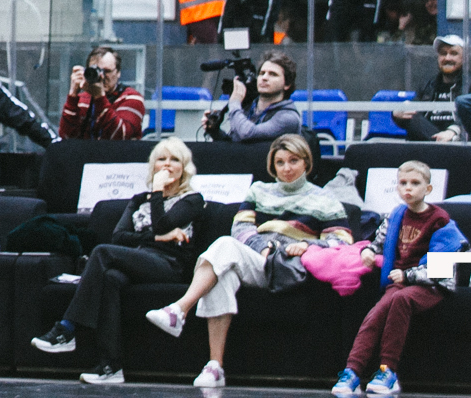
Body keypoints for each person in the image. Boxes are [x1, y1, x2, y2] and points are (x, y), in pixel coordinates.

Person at [146, 134, 353, 389]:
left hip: (291, 266)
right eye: (280, 162)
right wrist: (263, 247)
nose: (287, 168)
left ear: (306, 163)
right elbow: (241, 229)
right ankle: (215, 366)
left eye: (293, 161)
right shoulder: (259, 191)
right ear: (272, 165)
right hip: (258, 260)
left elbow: (342, 240)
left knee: (224, 246)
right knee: (222, 274)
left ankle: (180, 309)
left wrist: (306, 246)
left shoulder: (325, 199)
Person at [30, 138, 206, 384]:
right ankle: (111, 366)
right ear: (153, 165)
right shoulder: (139, 200)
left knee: (102, 252)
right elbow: (119, 236)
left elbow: (162, 223)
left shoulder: (192, 199)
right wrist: (157, 237)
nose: (167, 164)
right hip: (137, 259)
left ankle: (67, 328)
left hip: (169, 264)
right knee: (110, 278)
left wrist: (157, 193)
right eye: (161, 159)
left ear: (184, 168)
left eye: (174, 160)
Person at [332, 160, 469, 398]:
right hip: (399, 282)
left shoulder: (440, 220)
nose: (408, 188)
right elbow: (379, 240)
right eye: (403, 183)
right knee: (375, 315)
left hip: (430, 285)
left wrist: (408, 275)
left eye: (415, 183)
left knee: (400, 300)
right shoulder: (396, 215)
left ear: (428, 189)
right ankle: (352, 372)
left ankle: (388, 371)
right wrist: (369, 251)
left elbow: (443, 267)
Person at [202, 50, 303, 143]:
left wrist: (235, 102)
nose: (264, 78)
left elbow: (248, 134)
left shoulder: (289, 118)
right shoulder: (248, 108)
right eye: (262, 73)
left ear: (287, 84)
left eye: (273, 74)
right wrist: (215, 131)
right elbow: (236, 147)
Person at [59, 46, 146, 140]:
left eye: (107, 71)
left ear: (118, 72)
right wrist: (72, 95)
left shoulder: (131, 98)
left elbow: (120, 137)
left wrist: (99, 97)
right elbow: (66, 137)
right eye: (95, 71)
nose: (102, 76)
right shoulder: (82, 99)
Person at [393, 35, 467, 141]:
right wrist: (396, 114)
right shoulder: (428, 85)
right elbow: (412, 113)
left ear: (464, 58)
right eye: (443, 53)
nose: (447, 58)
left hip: (457, 144)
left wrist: (453, 131)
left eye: (454, 53)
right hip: (426, 144)